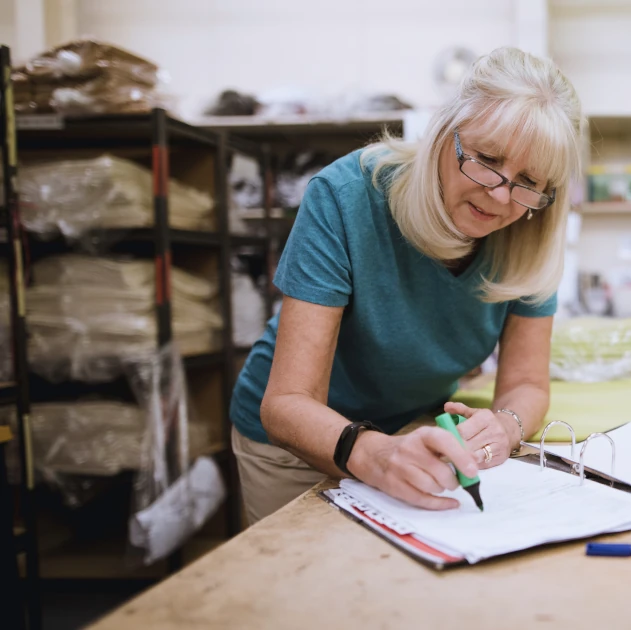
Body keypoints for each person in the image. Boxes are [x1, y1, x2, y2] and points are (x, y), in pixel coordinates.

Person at [229, 47, 581, 525]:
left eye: (528, 181)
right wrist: (374, 455)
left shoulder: (530, 232)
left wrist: (505, 427)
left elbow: (525, 383)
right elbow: (287, 405)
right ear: (442, 134)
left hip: (411, 430)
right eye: (486, 159)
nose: (500, 195)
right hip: (294, 446)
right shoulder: (347, 196)